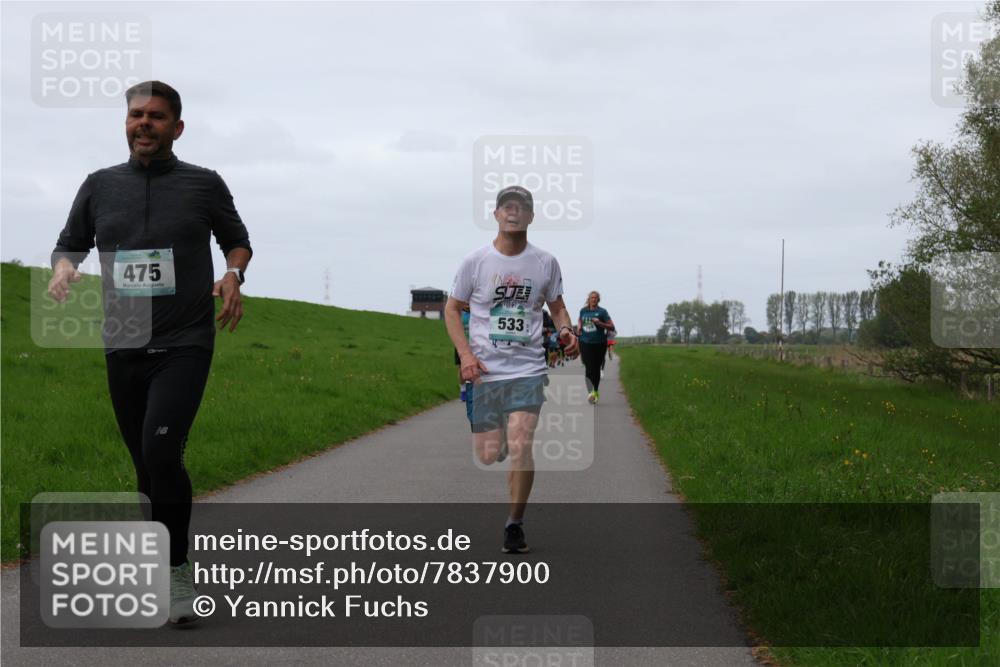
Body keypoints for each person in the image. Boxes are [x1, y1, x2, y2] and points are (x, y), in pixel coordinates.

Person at [47, 81, 252, 625]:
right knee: (144, 465)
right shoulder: (99, 185)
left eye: (157, 117)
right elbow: (71, 241)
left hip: (184, 341)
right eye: (137, 114)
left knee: (162, 454)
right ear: (126, 123)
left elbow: (237, 238)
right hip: (123, 338)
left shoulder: (203, 184)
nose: (145, 123)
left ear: (176, 127)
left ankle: (177, 573)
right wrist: (65, 267)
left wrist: (233, 273)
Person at [445, 185, 578, 554]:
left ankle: (514, 524)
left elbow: (558, 306)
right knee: (489, 453)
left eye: (521, 207)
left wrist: (565, 329)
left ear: (531, 217)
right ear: (496, 214)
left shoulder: (545, 263)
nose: (513, 212)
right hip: (485, 370)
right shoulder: (475, 262)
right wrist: (466, 356)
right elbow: (452, 310)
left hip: (527, 368)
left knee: (522, 443)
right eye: (507, 206)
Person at [577, 291, 615, 405]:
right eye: (591, 297)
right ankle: (590, 393)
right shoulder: (583, 311)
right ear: (588, 299)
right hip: (585, 342)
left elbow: (611, 327)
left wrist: (600, 323)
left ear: (598, 300)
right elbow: (580, 320)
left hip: (599, 343)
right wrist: (579, 327)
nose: (593, 299)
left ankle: (596, 390)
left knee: (596, 368)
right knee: (589, 367)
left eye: (595, 298)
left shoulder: (602, 312)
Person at [454, 305, 471, 401]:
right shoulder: (459, 313)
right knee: (461, 368)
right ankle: (463, 391)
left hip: (476, 344)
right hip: (461, 344)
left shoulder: (477, 311)